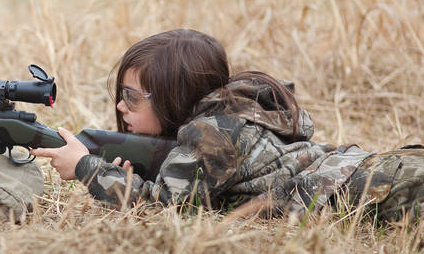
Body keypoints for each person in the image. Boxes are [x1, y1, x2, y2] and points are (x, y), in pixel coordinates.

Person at [30, 29, 424, 221]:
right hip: (378, 177)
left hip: (382, 189)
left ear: (175, 98)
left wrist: (86, 168)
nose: (119, 105)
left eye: (132, 97)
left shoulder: (213, 133)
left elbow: (169, 209)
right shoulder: (221, 121)